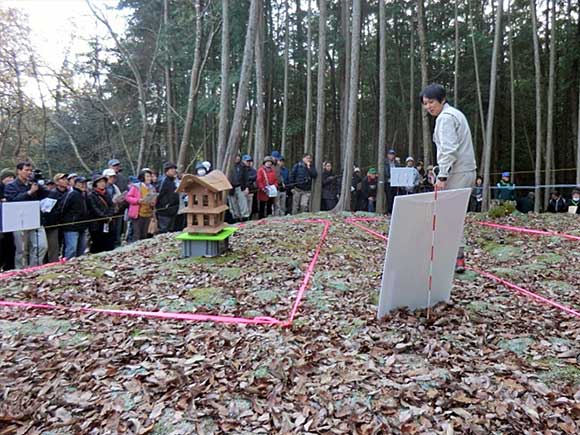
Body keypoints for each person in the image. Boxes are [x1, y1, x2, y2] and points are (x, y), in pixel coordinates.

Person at [421, 83, 477, 273]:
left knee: (449, 216)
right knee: (452, 216)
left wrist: (442, 176)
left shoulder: (445, 118)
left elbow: (449, 149)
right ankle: (453, 257)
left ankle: (456, 258)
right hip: (463, 170)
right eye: (425, 103)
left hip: (457, 173)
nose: (429, 106)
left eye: (431, 102)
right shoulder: (455, 114)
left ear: (442, 100)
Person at [4, 162, 49, 269]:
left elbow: (48, 195)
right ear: (19, 171)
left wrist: (39, 184)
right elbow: (12, 201)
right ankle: (21, 270)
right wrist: (29, 192)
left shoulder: (32, 184)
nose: (29, 173)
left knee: (42, 246)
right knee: (22, 250)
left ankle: (34, 267)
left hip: (35, 219)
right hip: (19, 221)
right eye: (26, 170)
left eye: (30, 171)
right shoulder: (11, 185)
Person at [60, 176, 89, 259]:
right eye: (81, 183)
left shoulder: (84, 194)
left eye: (85, 183)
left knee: (82, 248)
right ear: (76, 184)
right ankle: (67, 265)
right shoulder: (71, 194)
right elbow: (63, 208)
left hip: (82, 225)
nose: (83, 185)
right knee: (71, 248)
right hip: (71, 225)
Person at [87, 174, 116, 253]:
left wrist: (110, 215)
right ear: (95, 184)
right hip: (96, 224)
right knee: (98, 244)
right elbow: (94, 209)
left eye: (103, 181)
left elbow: (111, 206)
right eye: (100, 182)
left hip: (108, 223)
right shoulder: (91, 195)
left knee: (109, 243)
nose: (102, 183)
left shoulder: (107, 193)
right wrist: (105, 217)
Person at [44, 173, 69, 262]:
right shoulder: (52, 193)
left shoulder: (69, 193)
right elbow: (47, 210)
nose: (65, 181)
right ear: (57, 182)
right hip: (54, 224)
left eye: (66, 179)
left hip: (67, 223)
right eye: (62, 179)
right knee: (54, 247)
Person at [126, 169, 157, 241]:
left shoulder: (152, 188)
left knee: (144, 234)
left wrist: (153, 202)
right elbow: (128, 197)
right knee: (137, 234)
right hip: (138, 214)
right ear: (142, 177)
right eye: (147, 176)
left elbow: (154, 199)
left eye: (150, 177)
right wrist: (137, 200)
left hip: (148, 214)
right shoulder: (136, 187)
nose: (149, 178)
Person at [156, 162, 180, 233]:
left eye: (174, 169)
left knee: (171, 230)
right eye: (171, 169)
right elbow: (159, 194)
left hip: (173, 209)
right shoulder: (163, 180)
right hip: (164, 210)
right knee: (164, 230)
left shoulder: (173, 181)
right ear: (167, 171)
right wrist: (164, 204)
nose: (174, 171)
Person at [0, 169, 16, 271]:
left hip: (10, 223)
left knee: (10, 247)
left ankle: (9, 268)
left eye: (12, 177)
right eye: (8, 177)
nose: (11, 179)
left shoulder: (11, 189)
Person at [228, 155, 251, 222]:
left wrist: (247, 187)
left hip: (240, 187)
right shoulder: (228, 165)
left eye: (238, 156)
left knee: (243, 203)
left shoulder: (242, 166)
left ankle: (245, 217)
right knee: (233, 204)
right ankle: (236, 218)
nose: (237, 158)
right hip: (231, 188)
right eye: (236, 156)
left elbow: (246, 178)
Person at [384, 149, 400, 214]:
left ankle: (393, 210)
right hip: (388, 181)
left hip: (395, 182)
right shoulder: (385, 162)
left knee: (394, 196)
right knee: (388, 196)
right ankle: (389, 210)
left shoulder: (396, 163)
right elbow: (385, 172)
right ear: (388, 155)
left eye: (392, 154)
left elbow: (399, 171)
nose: (391, 156)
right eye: (390, 154)